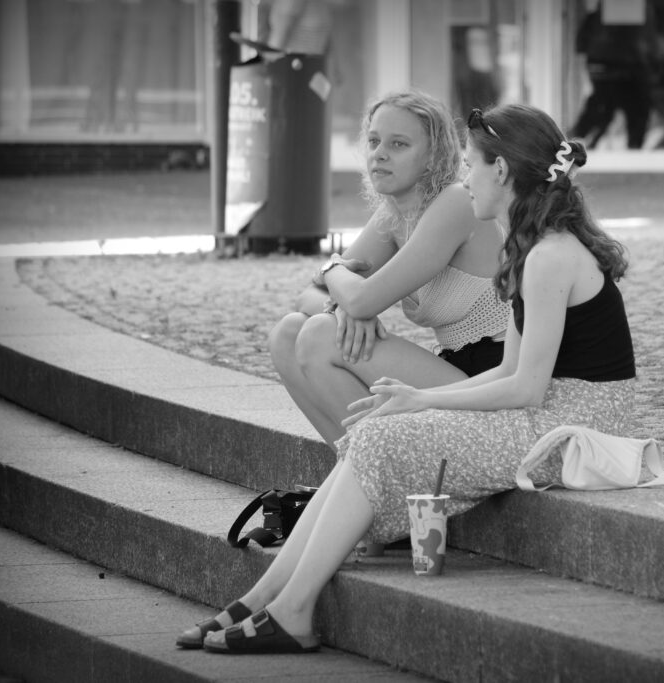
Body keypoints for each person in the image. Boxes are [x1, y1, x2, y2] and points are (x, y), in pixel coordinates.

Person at [175, 103, 637, 654]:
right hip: (551, 414)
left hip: (575, 426)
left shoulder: (550, 257)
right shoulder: (529, 250)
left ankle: (292, 610)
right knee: (374, 432)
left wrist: (422, 400)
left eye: (471, 165)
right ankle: (265, 600)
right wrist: (420, 398)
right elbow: (512, 372)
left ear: (502, 173)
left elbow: (525, 388)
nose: (465, 178)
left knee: (381, 436)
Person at [266, 90, 511, 452]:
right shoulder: (394, 215)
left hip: (489, 383)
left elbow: (359, 298)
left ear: (432, 157)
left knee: (319, 335)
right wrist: (345, 306)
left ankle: (374, 473)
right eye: (374, 141)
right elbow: (312, 295)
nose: (379, 153)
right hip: (452, 369)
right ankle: (358, 470)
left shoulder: (457, 202)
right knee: (287, 333)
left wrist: (333, 269)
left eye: (398, 144)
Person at [569, 1, 658, 149]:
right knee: (606, 108)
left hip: (624, 67)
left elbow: (648, 43)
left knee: (610, 108)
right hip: (615, 67)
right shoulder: (601, 15)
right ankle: (569, 143)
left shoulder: (641, 11)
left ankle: (634, 150)